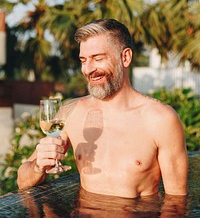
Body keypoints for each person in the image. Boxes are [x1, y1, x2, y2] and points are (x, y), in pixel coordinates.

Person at [17, 18, 188, 198]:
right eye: (83, 60)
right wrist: (38, 167)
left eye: (98, 58)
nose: (88, 69)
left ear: (125, 57)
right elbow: (22, 181)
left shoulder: (161, 119)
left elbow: (176, 202)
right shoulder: (72, 111)